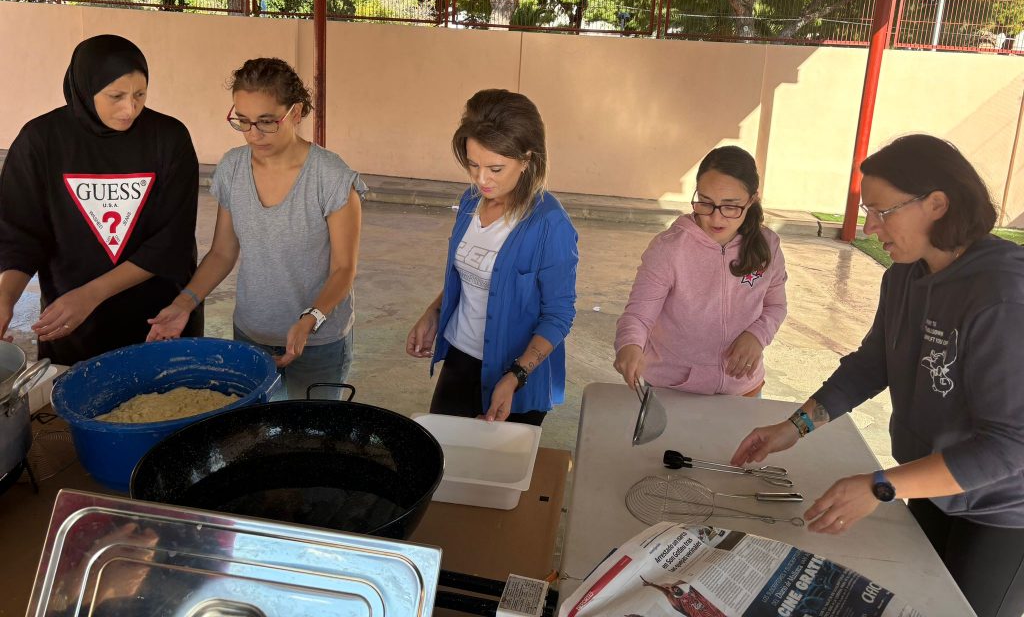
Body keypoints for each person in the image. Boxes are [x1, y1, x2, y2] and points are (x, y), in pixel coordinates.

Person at [730, 134, 1024, 617]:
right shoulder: (904, 276)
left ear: (937, 204)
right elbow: (873, 364)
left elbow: (1010, 445)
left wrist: (879, 487)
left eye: (882, 212)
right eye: (868, 211)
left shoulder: (1002, 294)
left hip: (1003, 511)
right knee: (916, 600)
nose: (869, 227)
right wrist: (793, 428)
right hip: (932, 481)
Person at [147, 58, 364, 400]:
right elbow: (222, 252)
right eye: (243, 121)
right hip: (252, 335)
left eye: (266, 121)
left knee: (312, 427)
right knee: (259, 425)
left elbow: (343, 268)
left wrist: (310, 319)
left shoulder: (331, 177)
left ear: (296, 112)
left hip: (319, 341)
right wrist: (184, 303)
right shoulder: (233, 168)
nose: (253, 134)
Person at [0, 35, 202, 364]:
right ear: (84, 88)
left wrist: (91, 294)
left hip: (160, 319)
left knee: (169, 389)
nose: (130, 108)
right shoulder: (41, 141)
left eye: (140, 94)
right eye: (115, 96)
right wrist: (5, 299)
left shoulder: (168, 138)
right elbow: (20, 234)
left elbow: (171, 243)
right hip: (73, 321)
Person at [405, 89, 578, 426]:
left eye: (496, 168)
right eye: (473, 164)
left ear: (527, 160)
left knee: (497, 460)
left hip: (517, 376)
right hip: (460, 359)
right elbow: (471, 274)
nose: (481, 179)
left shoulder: (549, 224)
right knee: (443, 451)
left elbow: (558, 315)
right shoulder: (470, 202)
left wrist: (516, 375)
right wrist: (434, 312)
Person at [613, 146, 787, 396]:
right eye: (705, 202)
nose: (716, 218)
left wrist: (757, 335)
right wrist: (630, 345)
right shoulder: (669, 248)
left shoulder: (768, 246)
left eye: (730, 206)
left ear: (752, 200)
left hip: (743, 387)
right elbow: (639, 315)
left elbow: (775, 305)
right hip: (673, 387)